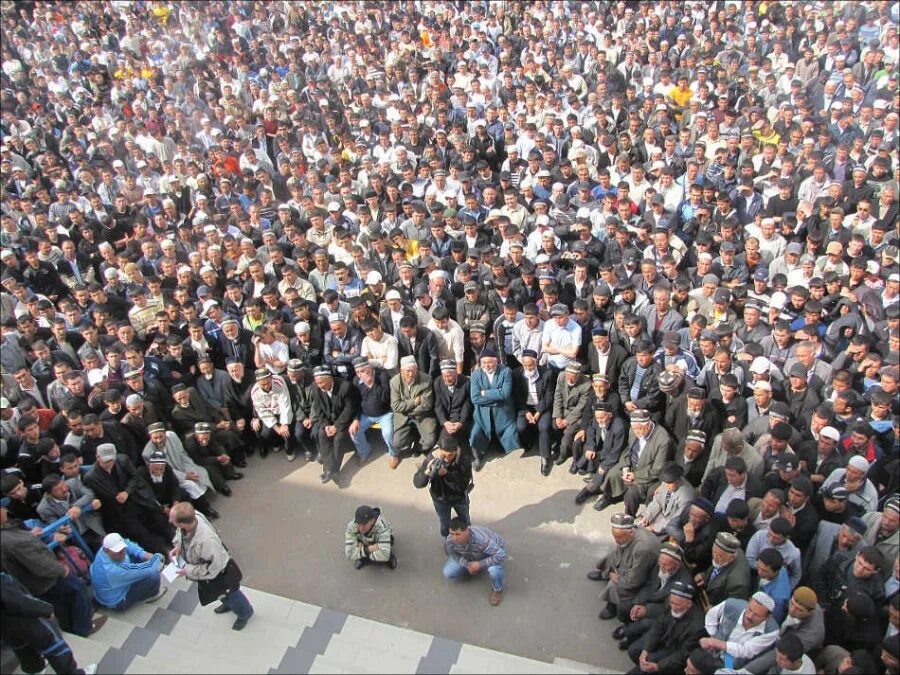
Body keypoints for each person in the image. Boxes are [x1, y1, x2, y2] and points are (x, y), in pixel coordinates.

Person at [169, 502, 254, 631]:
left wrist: (187, 571)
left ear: (182, 523)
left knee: (231, 594)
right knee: (222, 595)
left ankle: (244, 613)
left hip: (221, 576)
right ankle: (228, 603)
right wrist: (178, 547)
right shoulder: (192, 518)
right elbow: (181, 536)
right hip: (210, 575)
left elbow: (213, 568)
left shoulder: (207, 542)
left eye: (173, 520)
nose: (170, 521)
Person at [0, 572, 97, 675]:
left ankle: (35, 669)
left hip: (5, 627)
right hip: (27, 621)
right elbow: (20, 601)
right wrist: (46, 609)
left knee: (22, 648)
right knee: (54, 646)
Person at [588, 513, 661, 622]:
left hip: (646, 577)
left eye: (619, 537)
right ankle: (605, 573)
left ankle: (611, 605)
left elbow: (635, 580)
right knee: (613, 555)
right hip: (632, 561)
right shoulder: (628, 535)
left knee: (614, 585)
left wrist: (618, 578)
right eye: (615, 537)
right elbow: (620, 548)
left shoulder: (644, 549)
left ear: (630, 532)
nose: (616, 540)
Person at [468, 348, 521, 470]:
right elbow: (475, 398)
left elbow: (505, 394)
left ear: (496, 361)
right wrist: (496, 393)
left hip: (503, 411)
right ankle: (478, 457)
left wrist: (484, 393)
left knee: (507, 432)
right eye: (484, 363)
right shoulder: (476, 374)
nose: (487, 366)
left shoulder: (506, 371)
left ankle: (505, 450)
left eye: (490, 362)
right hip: (482, 413)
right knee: (475, 433)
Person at [699, 592, 780, 670]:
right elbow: (711, 614)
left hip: (730, 659)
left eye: (757, 615)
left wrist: (715, 643)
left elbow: (746, 651)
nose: (749, 616)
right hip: (712, 649)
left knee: (725, 670)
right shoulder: (732, 604)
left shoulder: (771, 631)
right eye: (750, 609)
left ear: (767, 617)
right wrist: (712, 635)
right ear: (748, 602)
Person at [413, 434, 474, 537]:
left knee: (465, 522)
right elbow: (418, 484)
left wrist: (447, 474)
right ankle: (448, 541)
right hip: (440, 499)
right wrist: (427, 472)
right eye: (443, 455)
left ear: (456, 450)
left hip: (459, 498)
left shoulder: (464, 459)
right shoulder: (431, 458)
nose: (446, 459)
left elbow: (462, 486)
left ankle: (467, 540)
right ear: (439, 449)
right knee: (445, 524)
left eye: (450, 455)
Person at [89, 532, 166, 610]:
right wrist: (158, 557)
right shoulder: (112, 570)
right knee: (153, 576)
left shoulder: (103, 550)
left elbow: (126, 542)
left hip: (108, 591)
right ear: (107, 550)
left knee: (140, 557)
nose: (122, 553)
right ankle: (151, 595)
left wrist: (143, 553)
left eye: (123, 549)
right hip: (118, 602)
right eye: (118, 551)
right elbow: (150, 568)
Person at [443, 517, 508, 606]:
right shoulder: (450, 540)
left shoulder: (482, 540)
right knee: (448, 572)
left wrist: (480, 564)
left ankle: (497, 590)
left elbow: (501, 554)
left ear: (467, 531)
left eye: (458, 534)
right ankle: (473, 568)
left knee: (494, 570)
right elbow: (453, 554)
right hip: (470, 554)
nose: (454, 538)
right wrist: (467, 565)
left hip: (491, 552)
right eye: (452, 533)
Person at [344, 505, 397, 570]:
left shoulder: (382, 526)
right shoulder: (351, 526)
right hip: (367, 542)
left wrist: (360, 550)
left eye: (364, 524)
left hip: (377, 539)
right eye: (359, 523)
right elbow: (350, 554)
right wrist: (370, 549)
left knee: (388, 547)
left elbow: (384, 555)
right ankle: (364, 557)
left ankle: (389, 558)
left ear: (372, 520)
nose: (361, 528)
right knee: (378, 549)